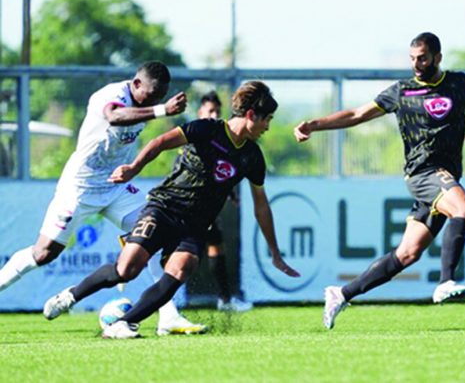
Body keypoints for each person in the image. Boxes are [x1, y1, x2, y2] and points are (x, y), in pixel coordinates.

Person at [44, 81, 300, 338]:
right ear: (250, 115)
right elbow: (160, 142)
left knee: (180, 269)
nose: (268, 126)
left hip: (196, 225)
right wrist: (133, 168)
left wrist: (275, 253)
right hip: (164, 208)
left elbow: (262, 207)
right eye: (267, 119)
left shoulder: (253, 157)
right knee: (126, 270)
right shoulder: (206, 129)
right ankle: (70, 296)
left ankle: (124, 323)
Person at [294, 32, 465, 329]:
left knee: (407, 253)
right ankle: (446, 281)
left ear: (438, 57)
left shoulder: (460, 83)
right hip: (423, 172)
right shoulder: (402, 91)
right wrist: (314, 125)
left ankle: (341, 293)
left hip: (443, 177)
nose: (416, 64)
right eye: (412, 58)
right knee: (464, 208)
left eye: (422, 58)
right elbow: (358, 114)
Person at [0, 61, 205, 335]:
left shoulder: (145, 102)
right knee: (44, 253)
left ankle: (168, 316)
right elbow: (114, 116)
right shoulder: (111, 95)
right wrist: (161, 110)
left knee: (158, 235)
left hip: (116, 184)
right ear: (136, 84)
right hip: (80, 186)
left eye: (160, 96)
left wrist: (159, 111)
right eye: (152, 94)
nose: (156, 99)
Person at [194, 91, 252, 312]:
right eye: (210, 111)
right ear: (200, 113)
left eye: (218, 111)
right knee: (185, 254)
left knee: (215, 246)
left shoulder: (219, 136)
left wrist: (231, 194)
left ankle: (224, 299)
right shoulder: (195, 135)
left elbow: (221, 173)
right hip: (191, 205)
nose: (215, 114)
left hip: (208, 207)